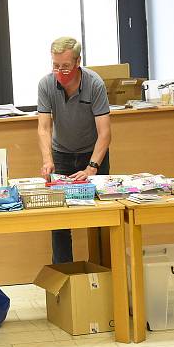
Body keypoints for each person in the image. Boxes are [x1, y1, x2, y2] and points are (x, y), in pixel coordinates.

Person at [37, 36, 112, 264]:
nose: (60, 71)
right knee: (60, 220)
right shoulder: (46, 84)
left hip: (93, 155)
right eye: (56, 65)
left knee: (101, 218)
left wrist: (91, 168)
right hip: (62, 154)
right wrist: (48, 159)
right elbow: (43, 127)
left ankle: (103, 274)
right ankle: (65, 277)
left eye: (66, 66)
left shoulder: (94, 84)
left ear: (78, 61)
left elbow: (105, 133)